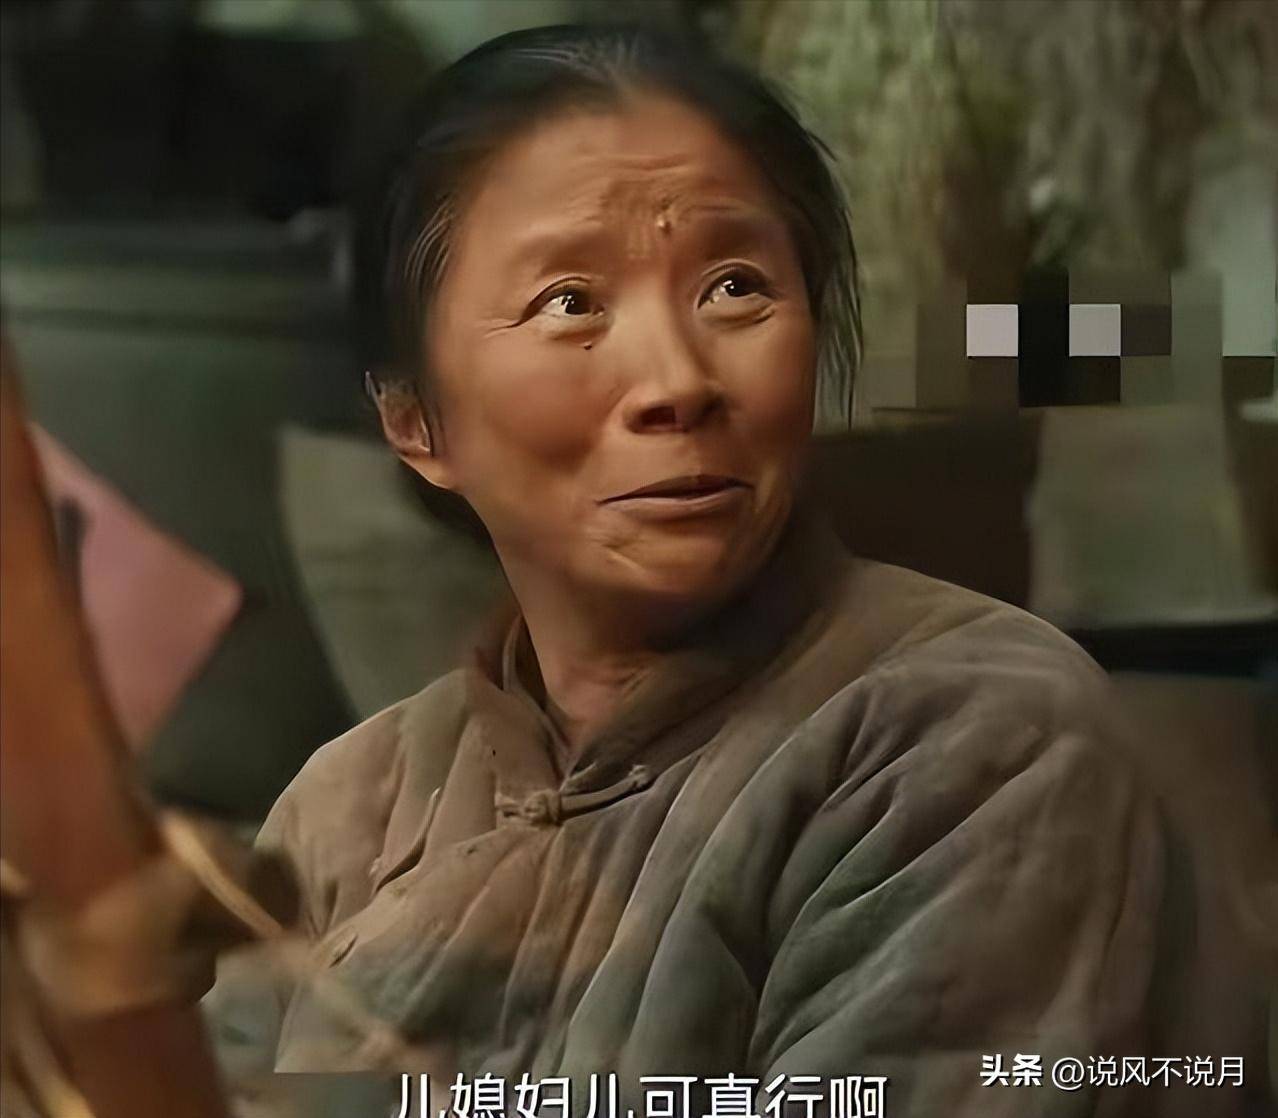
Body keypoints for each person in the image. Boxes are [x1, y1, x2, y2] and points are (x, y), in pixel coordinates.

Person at [205, 23, 1170, 1116]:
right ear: (414, 421)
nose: (677, 381)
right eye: (571, 303)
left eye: (735, 287)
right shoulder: (349, 806)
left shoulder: (972, 744)